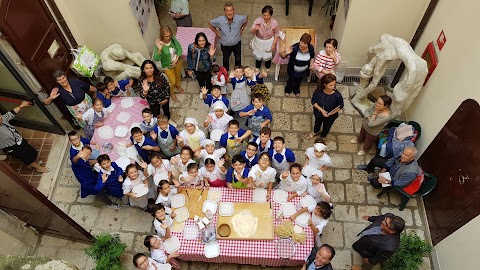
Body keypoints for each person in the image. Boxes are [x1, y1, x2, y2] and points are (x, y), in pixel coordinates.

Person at [0, 101, 49, 173]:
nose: (1, 117)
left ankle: (31, 164)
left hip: (19, 140)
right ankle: (38, 168)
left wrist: (21, 106)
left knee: (30, 151)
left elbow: (11, 113)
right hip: (11, 147)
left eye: (0, 115)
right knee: (25, 156)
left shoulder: (3, 119)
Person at [208, 2, 248, 71]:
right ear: (224, 11)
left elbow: (246, 18)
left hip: (237, 43)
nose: (229, 13)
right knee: (226, 59)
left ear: (234, 10)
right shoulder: (220, 20)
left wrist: (242, 29)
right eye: (227, 10)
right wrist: (217, 33)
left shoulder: (239, 18)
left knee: (238, 58)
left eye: (231, 10)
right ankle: (225, 72)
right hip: (225, 45)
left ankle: (238, 71)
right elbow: (210, 23)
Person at [153, 26, 184, 101]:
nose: (168, 38)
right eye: (166, 36)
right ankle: (171, 92)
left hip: (177, 62)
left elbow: (179, 49)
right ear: (161, 35)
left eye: (170, 35)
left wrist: (176, 59)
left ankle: (178, 85)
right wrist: (160, 49)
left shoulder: (173, 39)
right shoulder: (158, 44)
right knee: (171, 81)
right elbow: (156, 58)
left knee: (178, 75)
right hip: (167, 66)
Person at [310, 74, 344, 142]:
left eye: (334, 84)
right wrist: (322, 110)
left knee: (327, 126)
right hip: (319, 112)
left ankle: (323, 136)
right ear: (325, 84)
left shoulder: (337, 95)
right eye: (330, 85)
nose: (333, 87)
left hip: (331, 115)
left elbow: (340, 106)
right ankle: (316, 131)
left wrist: (330, 114)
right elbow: (313, 102)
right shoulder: (318, 91)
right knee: (317, 122)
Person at [249, 5, 279, 71]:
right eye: (264, 15)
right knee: (258, 54)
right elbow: (250, 31)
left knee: (267, 55)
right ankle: (257, 66)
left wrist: (274, 44)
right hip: (259, 40)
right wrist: (254, 28)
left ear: (271, 15)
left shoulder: (275, 23)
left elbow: (276, 34)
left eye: (267, 15)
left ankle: (267, 66)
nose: (265, 17)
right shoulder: (258, 20)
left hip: (268, 41)